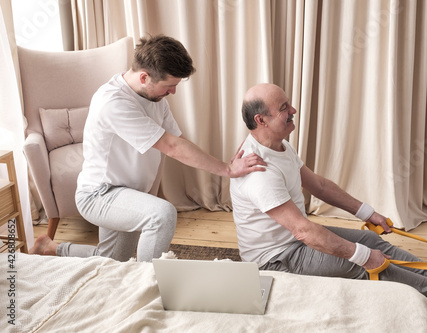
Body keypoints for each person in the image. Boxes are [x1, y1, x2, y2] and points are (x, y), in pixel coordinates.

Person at [229, 83, 427, 301]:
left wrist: (367, 213)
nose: (293, 110)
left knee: (372, 242)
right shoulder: (259, 171)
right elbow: (303, 230)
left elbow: (319, 186)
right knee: (364, 262)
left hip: (294, 239)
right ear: (261, 121)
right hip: (276, 259)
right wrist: (362, 256)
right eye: (283, 108)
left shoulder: (279, 145)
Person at [30, 34, 266, 262]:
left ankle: (52, 248)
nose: (173, 92)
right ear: (144, 78)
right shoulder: (113, 102)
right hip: (99, 195)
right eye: (169, 86)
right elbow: (172, 147)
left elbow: (180, 141)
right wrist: (227, 169)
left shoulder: (155, 98)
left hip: (129, 194)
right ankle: (146, 284)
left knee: (113, 261)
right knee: (162, 215)